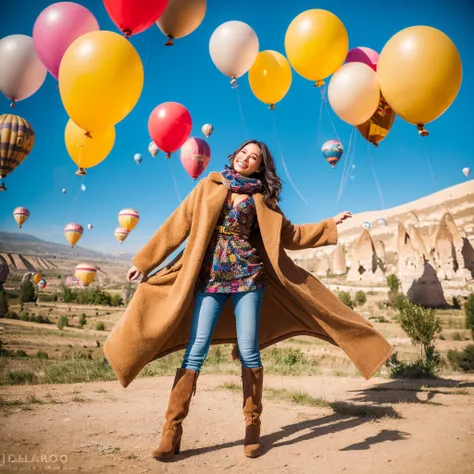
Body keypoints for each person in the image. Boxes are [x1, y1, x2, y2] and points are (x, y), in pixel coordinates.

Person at [124, 140, 354, 461]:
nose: (246, 159)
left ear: (260, 167)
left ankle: (252, 427)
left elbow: (290, 234)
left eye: (254, 158)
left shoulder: (262, 200)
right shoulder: (209, 185)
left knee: (248, 350)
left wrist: (329, 225)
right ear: (235, 157)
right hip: (209, 276)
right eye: (243, 154)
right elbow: (176, 225)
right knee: (196, 350)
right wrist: (143, 262)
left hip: (248, 276)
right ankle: (171, 430)